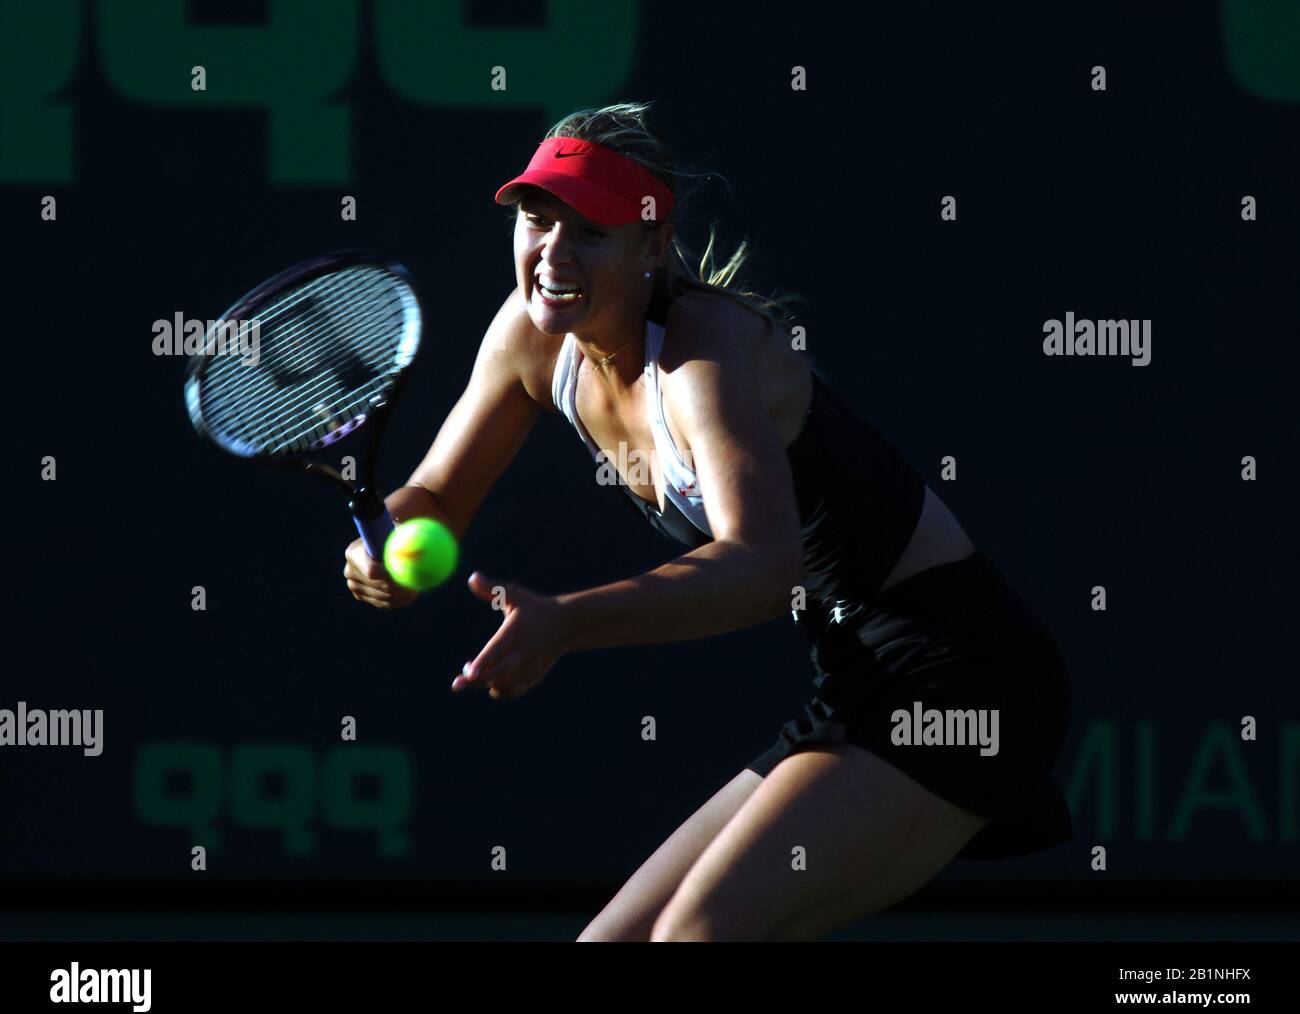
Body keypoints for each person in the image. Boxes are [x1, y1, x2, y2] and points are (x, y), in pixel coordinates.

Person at [343, 101, 1074, 941]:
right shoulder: (530, 340)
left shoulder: (704, 349)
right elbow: (435, 497)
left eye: (592, 232)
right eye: (538, 220)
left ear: (654, 247)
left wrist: (567, 623)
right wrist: (381, 545)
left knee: (696, 935)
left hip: (965, 677)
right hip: (855, 680)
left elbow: (764, 567)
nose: (552, 252)